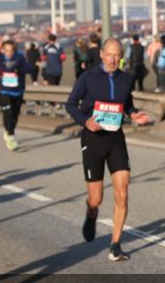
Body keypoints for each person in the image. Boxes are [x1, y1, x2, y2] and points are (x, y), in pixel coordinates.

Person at [65, 37, 151, 261]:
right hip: (93, 140)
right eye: (109, 54)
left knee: (122, 190)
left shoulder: (126, 79)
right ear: (102, 54)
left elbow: (127, 104)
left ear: (121, 56)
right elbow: (71, 104)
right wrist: (85, 122)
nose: (113, 59)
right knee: (97, 199)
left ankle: (115, 244)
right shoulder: (88, 77)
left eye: (117, 55)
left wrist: (134, 114)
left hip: (116, 139)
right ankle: (91, 213)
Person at [0, 40, 34, 151]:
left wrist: (20, 70)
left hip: (18, 90)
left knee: (15, 114)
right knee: (8, 112)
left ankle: (9, 131)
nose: (9, 53)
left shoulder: (19, 58)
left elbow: (29, 68)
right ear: (2, 50)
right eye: (7, 51)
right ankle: (11, 137)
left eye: (11, 51)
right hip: (4, 90)